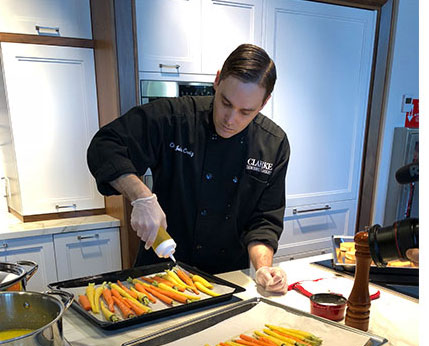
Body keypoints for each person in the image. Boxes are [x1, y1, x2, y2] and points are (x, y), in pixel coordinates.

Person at [86, 44, 289, 294]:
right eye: (225, 102)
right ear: (217, 80)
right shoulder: (175, 117)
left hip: (226, 280)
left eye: (246, 112)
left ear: (264, 102)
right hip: (158, 276)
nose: (230, 119)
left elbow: (264, 221)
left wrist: (262, 268)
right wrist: (141, 196)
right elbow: (105, 145)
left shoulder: (273, 143)